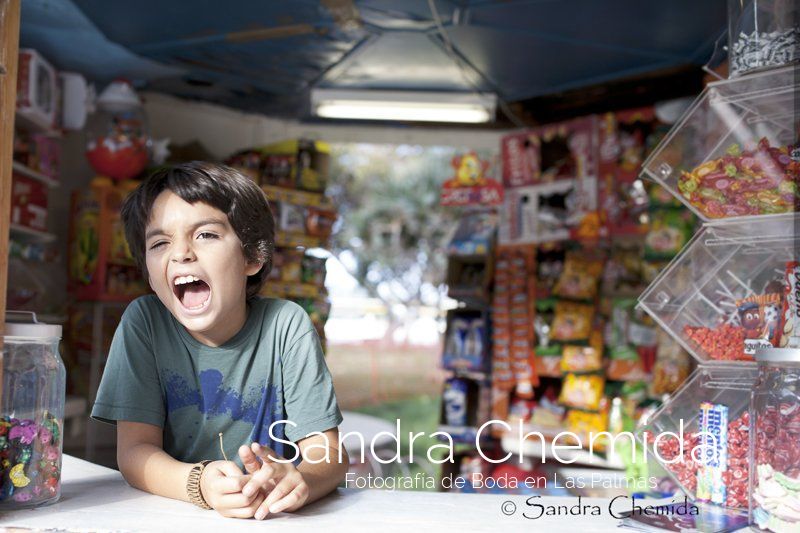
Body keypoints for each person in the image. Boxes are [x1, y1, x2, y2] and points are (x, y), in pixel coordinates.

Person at [91, 161, 347, 520]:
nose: (181, 253)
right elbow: (134, 452)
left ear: (253, 256)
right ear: (149, 273)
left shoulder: (287, 326)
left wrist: (299, 480)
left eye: (205, 235)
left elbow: (329, 455)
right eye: (160, 242)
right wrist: (200, 483)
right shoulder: (144, 323)